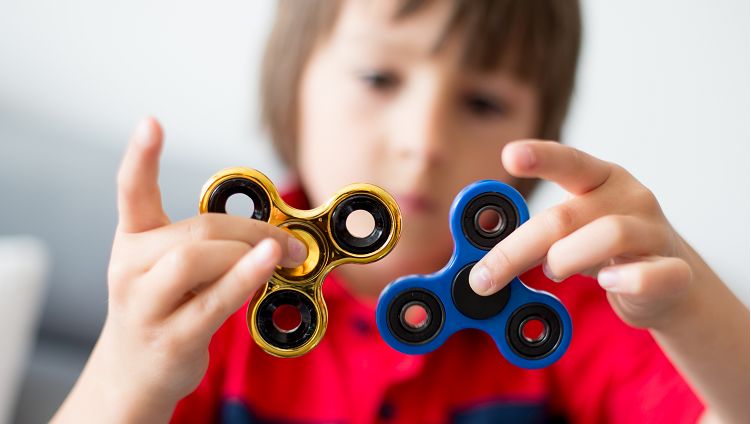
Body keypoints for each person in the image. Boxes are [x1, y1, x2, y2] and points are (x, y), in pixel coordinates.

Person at [51, 0, 749, 423]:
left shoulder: (572, 308)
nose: (424, 141)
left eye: (482, 103)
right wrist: (125, 372)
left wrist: (687, 308)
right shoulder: (214, 307)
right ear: (292, 87)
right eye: (378, 78)